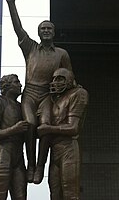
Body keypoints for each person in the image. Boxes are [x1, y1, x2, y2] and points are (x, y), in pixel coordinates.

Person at [5, 0, 73, 183]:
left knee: (44, 127)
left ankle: (41, 165)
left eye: (49, 29)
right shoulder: (31, 48)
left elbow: (69, 76)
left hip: (47, 96)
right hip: (30, 93)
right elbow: (18, 28)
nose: (46, 31)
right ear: (38, 33)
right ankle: (31, 165)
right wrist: (11, 4)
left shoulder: (61, 53)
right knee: (30, 124)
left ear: (54, 32)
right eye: (42, 29)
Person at [37, 68, 88, 200]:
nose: (55, 82)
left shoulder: (78, 94)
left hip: (68, 149)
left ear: (69, 80)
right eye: (54, 79)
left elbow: (73, 127)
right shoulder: (53, 100)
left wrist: (48, 128)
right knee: (55, 193)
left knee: (70, 192)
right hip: (54, 151)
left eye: (60, 78)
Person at [0, 74, 29, 200]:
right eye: (16, 82)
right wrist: (15, 129)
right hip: (3, 152)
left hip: (19, 155)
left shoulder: (22, 107)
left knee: (21, 196)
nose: (20, 85)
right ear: (7, 86)